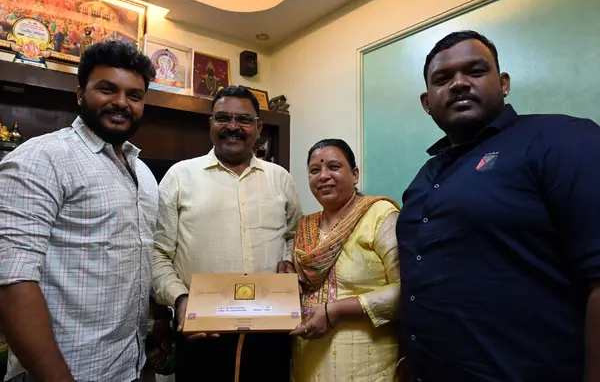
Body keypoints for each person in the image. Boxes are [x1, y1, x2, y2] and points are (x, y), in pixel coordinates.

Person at [396, 29, 600, 381]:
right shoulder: (423, 179)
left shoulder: (563, 141)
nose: (458, 83)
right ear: (427, 102)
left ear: (503, 83)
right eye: (442, 78)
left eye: (475, 71)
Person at [0, 40, 158, 382]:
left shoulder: (143, 173)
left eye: (134, 95)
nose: (121, 103)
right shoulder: (40, 158)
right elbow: (12, 282)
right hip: (66, 371)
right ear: (79, 93)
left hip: (128, 367)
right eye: (107, 89)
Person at [152, 85, 302, 381]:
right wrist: (181, 299)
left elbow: (293, 235)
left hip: (269, 331)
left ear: (258, 128)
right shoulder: (180, 177)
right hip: (203, 331)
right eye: (223, 117)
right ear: (211, 124)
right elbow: (158, 253)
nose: (233, 126)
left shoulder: (280, 179)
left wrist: (289, 262)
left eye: (243, 119)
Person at [290, 139, 402, 382]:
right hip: (307, 359)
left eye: (334, 167)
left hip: (366, 364)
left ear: (354, 175)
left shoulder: (380, 215)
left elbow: (407, 290)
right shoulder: (305, 225)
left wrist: (337, 310)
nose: (323, 176)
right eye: (314, 170)